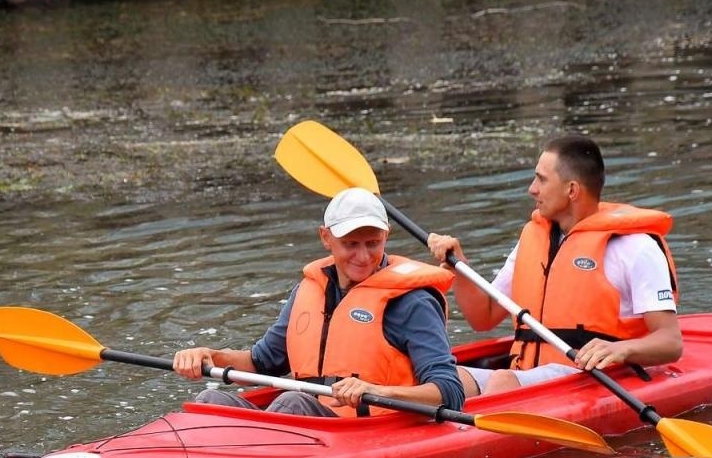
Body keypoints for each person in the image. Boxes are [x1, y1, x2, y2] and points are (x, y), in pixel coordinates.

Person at [427, 133, 682, 397]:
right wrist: (460, 268)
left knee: (503, 383)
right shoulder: (535, 239)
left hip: (597, 377)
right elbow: (484, 316)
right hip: (528, 373)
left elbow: (670, 342)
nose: (532, 189)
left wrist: (622, 349)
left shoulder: (635, 247)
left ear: (571, 190)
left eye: (541, 179)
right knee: (443, 376)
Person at [172, 187, 464, 416]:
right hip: (303, 422)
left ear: (386, 235)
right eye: (351, 244)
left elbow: (449, 391)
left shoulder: (412, 302)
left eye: (373, 243)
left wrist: (377, 390)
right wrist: (211, 356)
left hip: (369, 426)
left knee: (292, 401)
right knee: (210, 400)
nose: (363, 256)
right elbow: (261, 363)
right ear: (326, 237)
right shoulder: (309, 289)